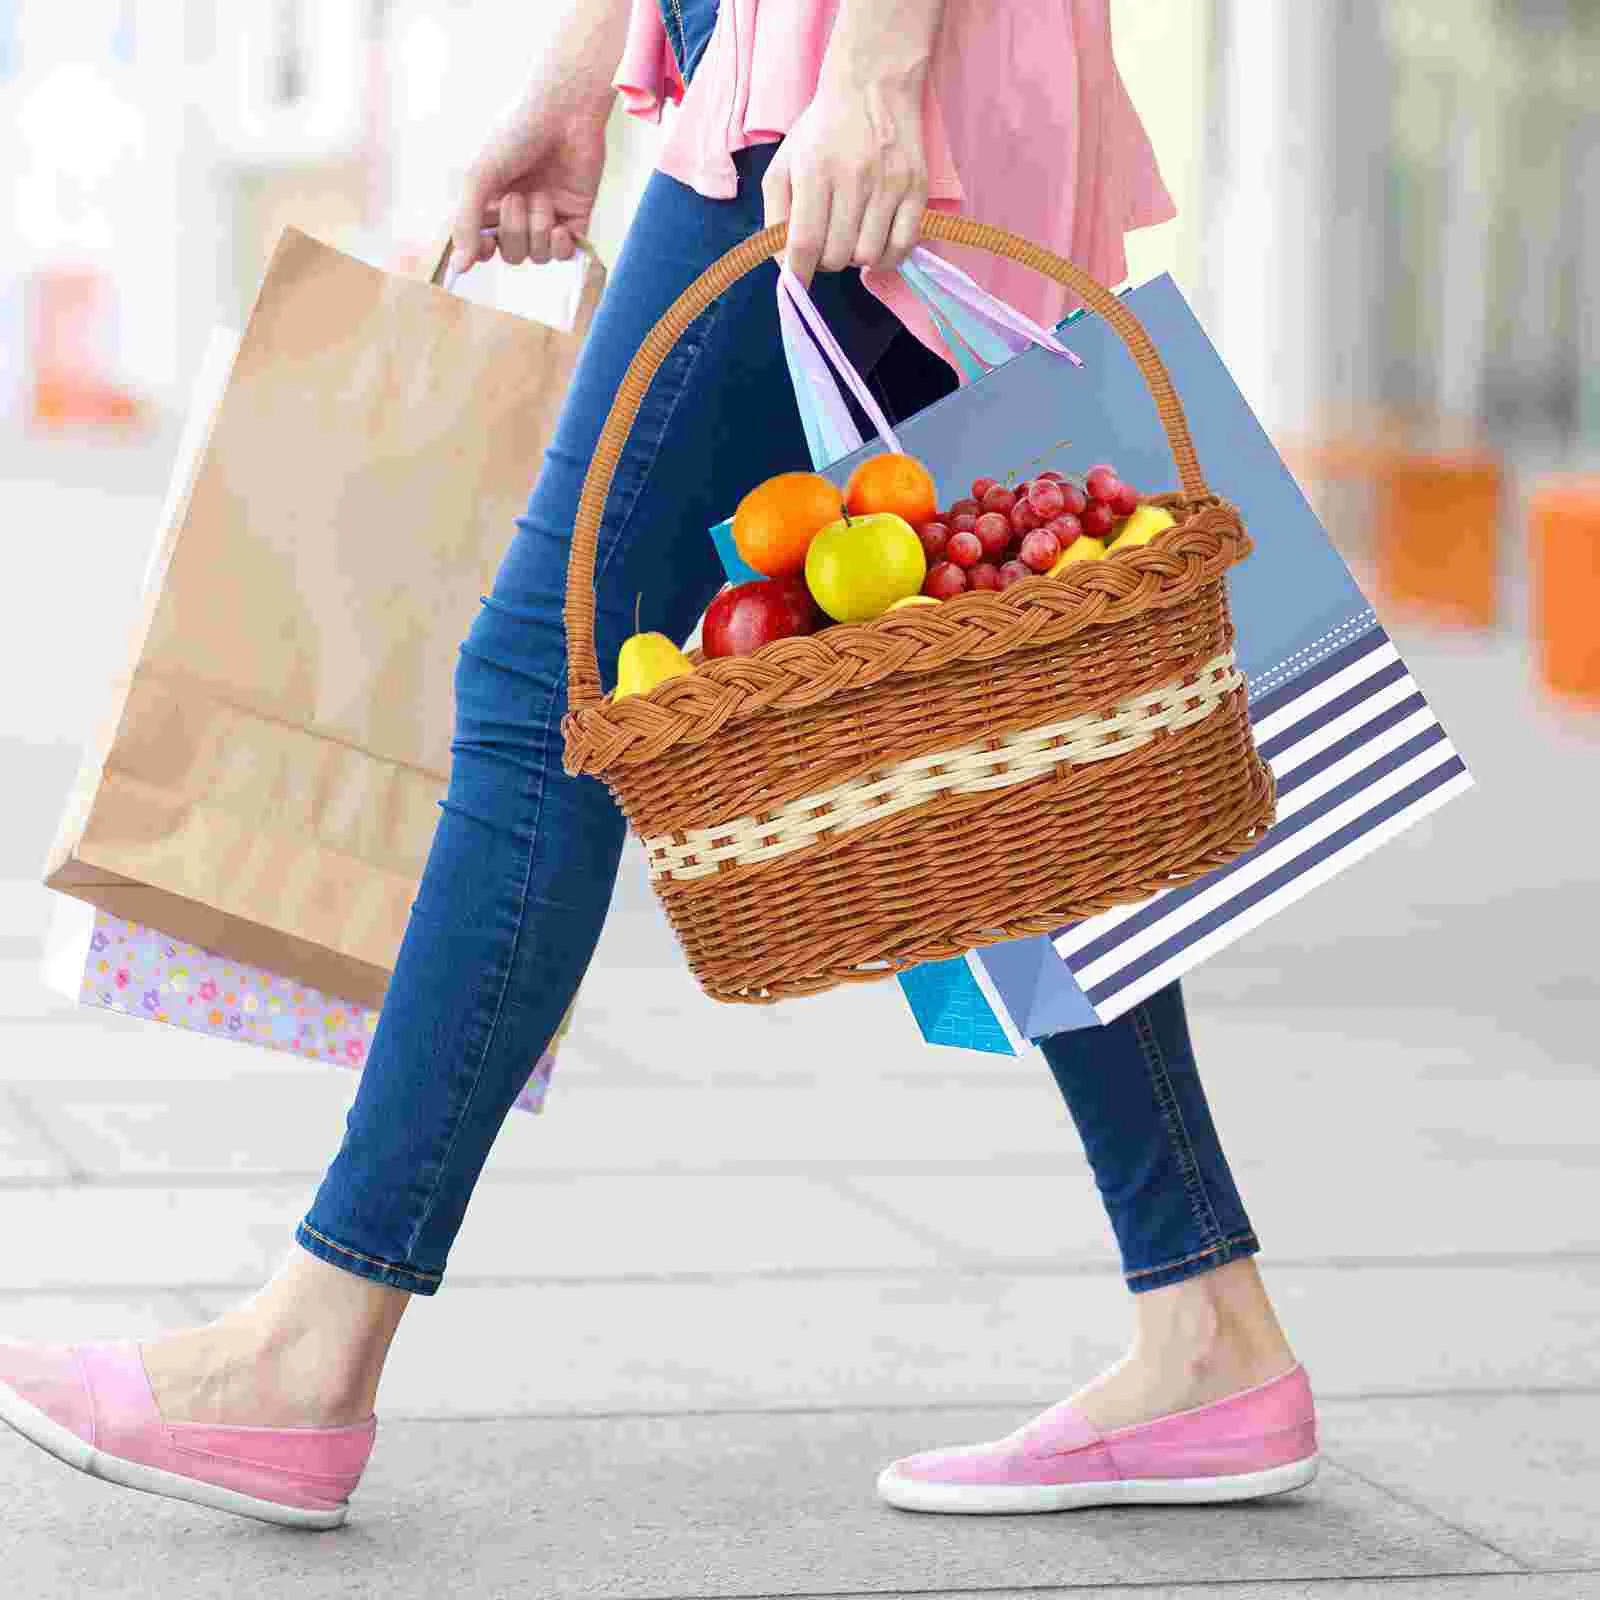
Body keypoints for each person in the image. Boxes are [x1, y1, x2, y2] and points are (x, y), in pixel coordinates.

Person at [0, 0, 1316, 1528]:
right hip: (800, 76)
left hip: (846, 85)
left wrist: (877, 71)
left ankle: (306, 1351)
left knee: (547, 680)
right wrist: (585, 77)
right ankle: (1210, 1328)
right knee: (1007, 705)